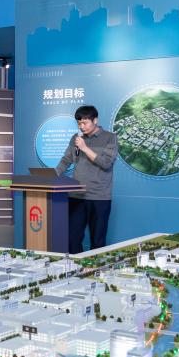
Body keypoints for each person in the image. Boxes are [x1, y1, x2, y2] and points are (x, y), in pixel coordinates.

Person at [54, 105, 117, 252]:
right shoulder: (76, 139)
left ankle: (94, 266)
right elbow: (66, 160)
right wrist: (52, 175)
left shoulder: (110, 137)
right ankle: (76, 265)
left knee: (98, 241)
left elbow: (106, 163)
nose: (81, 127)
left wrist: (84, 148)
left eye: (85, 123)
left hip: (99, 196)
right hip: (76, 196)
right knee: (72, 239)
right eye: (79, 123)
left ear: (95, 120)